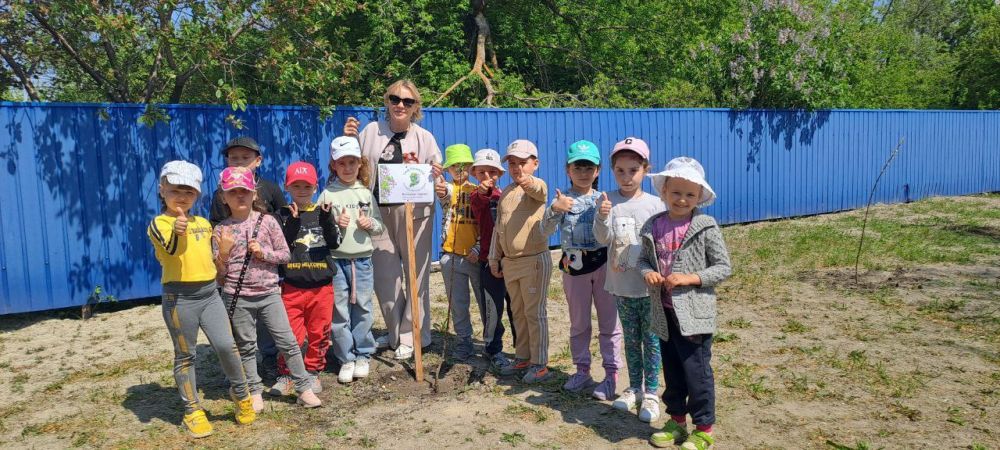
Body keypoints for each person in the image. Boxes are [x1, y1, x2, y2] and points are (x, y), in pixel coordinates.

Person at [148, 160, 255, 437]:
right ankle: (192, 410)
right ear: (162, 190)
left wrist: (224, 253)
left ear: (197, 195)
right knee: (186, 355)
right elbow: (171, 250)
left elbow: (214, 265)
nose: (182, 197)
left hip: (210, 294)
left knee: (227, 346)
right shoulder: (160, 223)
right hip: (179, 298)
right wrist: (179, 230)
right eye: (175, 190)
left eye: (189, 192)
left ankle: (242, 395)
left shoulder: (205, 223)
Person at [343, 80, 442, 360]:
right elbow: (352, 165)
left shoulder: (424, 138)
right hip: (376, 212)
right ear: (387, 101)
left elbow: (437, 172)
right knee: (385, 277)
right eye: (395, 99)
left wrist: (435, 174)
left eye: (408, 102)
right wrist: (348, 139)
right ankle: (396, 331)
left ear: (415, 107)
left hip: (415, 213)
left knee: (416, 274)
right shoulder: (371, 131)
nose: (401, 105)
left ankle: (414, 335)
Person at [639, 157, 732, 450]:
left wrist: (690, 278)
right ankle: (677, 422)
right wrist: (648, 272)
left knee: (697, 372)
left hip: (695, 316)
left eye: (690, 194)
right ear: (664, 191)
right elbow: (642, 259)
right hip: (664, 313)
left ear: (700, 197)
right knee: (673, 369)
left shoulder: (705, 226)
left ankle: (704, 428)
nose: (682, 199)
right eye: (676, 192)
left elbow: (723, 267)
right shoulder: (653, 225)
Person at [213, 167, 321, 410]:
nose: (239, 196)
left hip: (269, 293)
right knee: (247, 346)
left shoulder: (268, 221)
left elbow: (285, 255)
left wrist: (264, 253)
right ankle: (254, 390)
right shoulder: (221, 230)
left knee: (288, 341)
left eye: (244, 191)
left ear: (254, 194)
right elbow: (220, 276)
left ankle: (303, 387)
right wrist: (224, 253)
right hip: (237, 296)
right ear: (223, 197)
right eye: (233, 192)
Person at [541, 140, 623, 399]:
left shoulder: (605, 200)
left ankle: (611, 375)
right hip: (573, 268)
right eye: (578, 167)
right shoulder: (562, 200)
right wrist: (554, 211)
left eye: (589, 167)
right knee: (579, 323)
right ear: (568, 170)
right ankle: (582, 370)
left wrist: (604, 213)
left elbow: (609, 237)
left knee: (609, 323)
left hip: (603, 267)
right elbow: (544, 232)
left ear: (598, 171)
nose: (584, 172)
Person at [593, 138, 665, 422]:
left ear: (645, 169)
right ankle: (634, 387)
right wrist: (601, 217)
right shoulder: (607, 200)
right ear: (612, 170)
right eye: (620, 170)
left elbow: (661, 246)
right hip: (621, 287)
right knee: (631, 341)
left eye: (633, 170)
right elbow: (603, 239)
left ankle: (651, 393)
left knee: (652, 341)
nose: (626, 177)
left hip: (649, 289)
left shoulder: (656, 204)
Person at [317, 136, 385, 383]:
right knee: (339, 310)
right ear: (333, 165)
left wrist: (370, 224)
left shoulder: (365, 193)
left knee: (364, 308)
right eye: (342, 163)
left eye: (352, 162)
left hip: (363, 260)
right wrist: (333, 222)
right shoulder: (326, 195)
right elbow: (316, 228)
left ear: (360, 164)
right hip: (336, 261)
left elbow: (379, 226)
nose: (347, 168)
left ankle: (363, 354)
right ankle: (345, 357)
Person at [270, 161, 340, 396]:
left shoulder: (323, 212)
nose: (302, 190)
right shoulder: (280, 216)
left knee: (319, 332)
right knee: (290, 334)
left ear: (315, 187)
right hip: (292, 286)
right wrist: (294, 221)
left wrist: (328, 220)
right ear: (287, 187)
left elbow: (334, 242)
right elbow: (282, 247)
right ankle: (287, 374)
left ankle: (312, 371)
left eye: (307, 186)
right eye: (296, 185)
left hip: (322, 287)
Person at [487, 139, 553, 384]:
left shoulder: (536, 186)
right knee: (518, 312)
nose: (517, 168)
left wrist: (528, 180)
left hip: (533, 260)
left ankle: (540, 363)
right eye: (512, 164)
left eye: (523, 163)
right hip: (511, 263)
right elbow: (498, 229)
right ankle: (523, 357)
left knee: (535, 313)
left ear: (535, 164)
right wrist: (495, 257)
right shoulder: (506, 192)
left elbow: (540, 190)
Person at [469, 148, 516, 375]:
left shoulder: (508, 194)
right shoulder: (476, 196)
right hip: (489, 261)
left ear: (500, 173)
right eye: (481, 172)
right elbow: (479, 202)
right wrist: (483, 192)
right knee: (493, 309)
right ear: (474, 174)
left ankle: (522, 351)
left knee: (517, 307)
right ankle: (493, 349)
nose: (487, 177)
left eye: (492, 172)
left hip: (513, 261)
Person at [435, 143, 482, 361]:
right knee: (458, 303)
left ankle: (491, 342)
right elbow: (444, 194)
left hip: (475, 256)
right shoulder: (448, 189)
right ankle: (464, 340)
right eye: (454, 166)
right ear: (448, 170)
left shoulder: (477, 192)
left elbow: (486, 225)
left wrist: (479, 248)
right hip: (451, 256)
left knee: (485, 302)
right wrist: (441, 187)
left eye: (464, 165)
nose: (460, 169)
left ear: (471, 167)